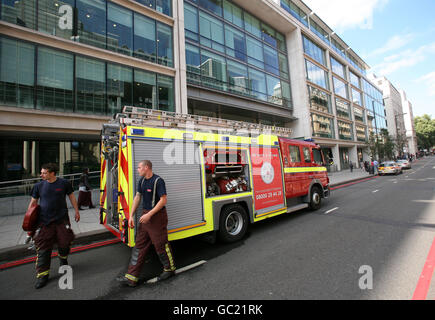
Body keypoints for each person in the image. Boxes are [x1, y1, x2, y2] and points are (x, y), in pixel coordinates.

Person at [118, 160, 176, 287]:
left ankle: (169, 269)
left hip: (157, 217)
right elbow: (137, 197)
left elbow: (163, 200)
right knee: (139, 245)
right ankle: (131, 277)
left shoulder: (158, 181)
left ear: (146, 167)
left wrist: (149, 215)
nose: (137, 170)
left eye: (139, 167)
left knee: (160, 244)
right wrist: (131, 215)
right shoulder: (142, 181)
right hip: (146, 216)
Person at [28, 163, 80, 289]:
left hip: (62, 220)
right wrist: (28, 220)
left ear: (52, 173)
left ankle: (63, 258)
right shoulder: (38, 186)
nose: (41, 175)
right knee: (43, 248)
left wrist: (77, 211)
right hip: (45, 221)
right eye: (41, 172)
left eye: (44, 173)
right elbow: (33, 203)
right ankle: (42, 275)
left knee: (65, 242)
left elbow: (72, 197)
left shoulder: (64, 183)